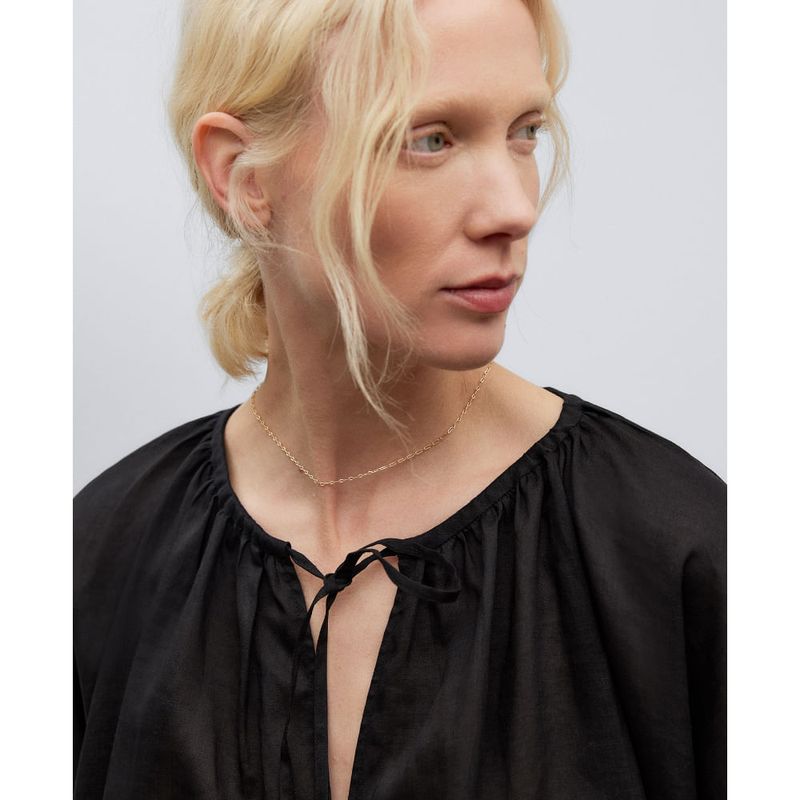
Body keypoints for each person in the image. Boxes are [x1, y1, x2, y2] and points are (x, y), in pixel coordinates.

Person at [73, 0, 726, 798]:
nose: (514, 209)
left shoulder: (673, 553)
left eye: (525, 131)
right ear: (245, 177)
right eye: (430, 140)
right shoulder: (99, 561)